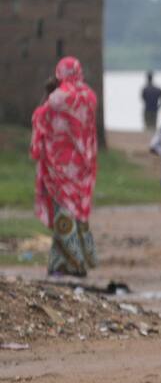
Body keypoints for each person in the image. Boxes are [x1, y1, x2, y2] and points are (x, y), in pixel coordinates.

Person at [30, 57, 99, 277]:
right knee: (77, 213)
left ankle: (75, 263)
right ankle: (58, 263)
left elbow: (40, 116)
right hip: (83, 167)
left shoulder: (58, 97)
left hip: (60, 167)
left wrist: (48, 91)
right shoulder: (89, 96)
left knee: (63, 212)